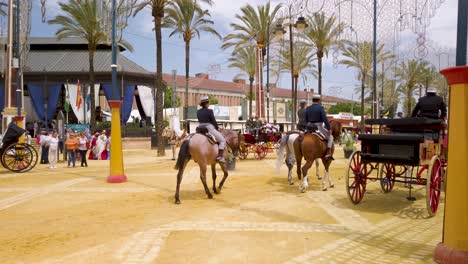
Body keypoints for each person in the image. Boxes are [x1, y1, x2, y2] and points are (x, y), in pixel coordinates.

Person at [197, 96, 226, 163]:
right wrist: (217, 128)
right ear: (207, 103)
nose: (209, 104)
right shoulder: (210, 111)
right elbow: (213, 121)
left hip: (200, 128)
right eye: (208, 103)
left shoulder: (198, 111)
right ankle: (220, 157)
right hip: (208, 128)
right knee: (222, 140)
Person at [305, 94, 334, 160]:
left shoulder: (308, 108)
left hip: (309, 127)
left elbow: (306, 119)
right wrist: (329, 128)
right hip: (318, 127)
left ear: (312, 100)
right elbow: (325, 119)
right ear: (319, 100)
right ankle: (328, 152)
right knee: (331, 137)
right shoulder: (320, 108)